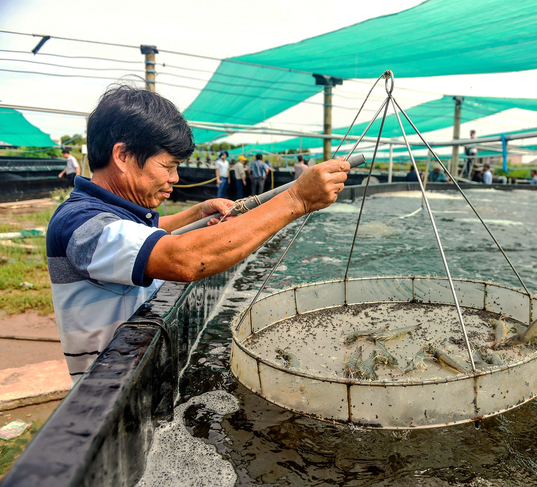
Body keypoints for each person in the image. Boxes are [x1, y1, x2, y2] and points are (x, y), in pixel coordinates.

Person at [46, 85, 349, 382]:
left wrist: (197, 212)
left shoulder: (110, 214)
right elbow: (184, 260)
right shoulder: (80, 223)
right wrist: (297, 200)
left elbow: (141, 234)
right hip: (107, 396)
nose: (174, 179)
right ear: (123, 156)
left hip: (137, 375)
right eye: (168, 166)